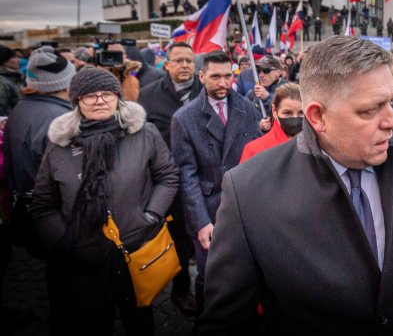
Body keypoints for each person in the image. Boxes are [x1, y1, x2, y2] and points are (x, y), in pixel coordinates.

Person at [199, 36, 393, 335]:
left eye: (391, 103)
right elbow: (225, 321)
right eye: (370, 109)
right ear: (318, 116)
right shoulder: (248, 189)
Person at [30, 67, 179, 335]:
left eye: (107, 94)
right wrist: (64, 240)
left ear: (118, 97)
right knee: (93, 322)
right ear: (77, 101)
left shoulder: (144, 133)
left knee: (140, 319)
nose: (99, 100)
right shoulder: (59, 145)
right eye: (90, 95)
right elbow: (44, 203)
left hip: (135, 246)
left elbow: (167, 176)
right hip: (83, 257)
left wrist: (151, 215)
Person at [170, 51, 261, 315]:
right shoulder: (184, 118)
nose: (223, 83)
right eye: (215, 77)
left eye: (227, 76)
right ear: (201, 76)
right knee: (210, 275)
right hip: (209, 209)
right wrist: (200, 222)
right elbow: (186, 175)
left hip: (245, 206)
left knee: (246, 272)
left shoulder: (248, 108)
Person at [137, 42, 202, 315]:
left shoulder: (206, 90)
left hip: (203, 181)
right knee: (178, 241)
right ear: (167, 64)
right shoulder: (147, 95)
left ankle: (210, 285)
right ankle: (180, 290)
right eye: (179, 60)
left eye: (189, 60)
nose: (185, 65)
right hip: (169, 184)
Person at [5, 47, 75, 258]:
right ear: (67, 81)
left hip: (28, 210)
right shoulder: (61, 120)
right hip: (57, 217)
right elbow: (71, 181)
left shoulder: (22, 108)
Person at [240, 82, 303, 162]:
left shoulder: (315, 147)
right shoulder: (255, 150)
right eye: (287, 113)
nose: (295, 117)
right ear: (274, 111)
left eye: (301, 113)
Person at [0, 45, 24, 117]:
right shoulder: (2, 81)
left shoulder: (14, 76)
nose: (18, 60)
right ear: (3, 60)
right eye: (13, 57)